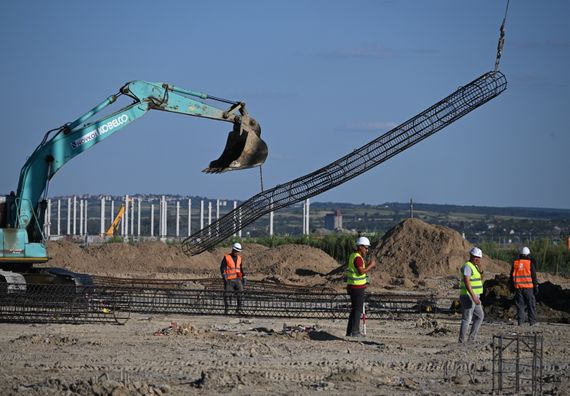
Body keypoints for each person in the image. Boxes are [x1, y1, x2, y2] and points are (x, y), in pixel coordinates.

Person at [345, 236, 376, 338]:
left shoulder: (353, 256)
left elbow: (359, 269)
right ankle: (355, 332)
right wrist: (371, 266)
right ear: (360, 247)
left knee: (354, 309)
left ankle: (349, 331)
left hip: (353, 287)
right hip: (357, 288)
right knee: (358, 310)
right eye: (366, 248)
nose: (367, 250)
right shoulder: (358, 258)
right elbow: (361, 271)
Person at [458, 247, 485, 343]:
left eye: (479, 258)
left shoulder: (476, 266)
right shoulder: (467, 266)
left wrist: (481, 269)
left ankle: (471, 339)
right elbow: (467, 282)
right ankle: (461, 341)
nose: (478, 259)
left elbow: (480, 278)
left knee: (480, 316)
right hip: (468, 296)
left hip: (475, 296)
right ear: (472, 257)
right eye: (477, 257)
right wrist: (473, 296)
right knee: (467, 319)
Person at [509, 246, 539, 326]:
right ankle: (532, 322)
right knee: (531, 304)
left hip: (518, 288)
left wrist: (511, 287)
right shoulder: (529, 263)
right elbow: (533, 276)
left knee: (520, 305)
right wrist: (536, 286)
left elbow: (511, 276)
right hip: (528, 288)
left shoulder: (515, 263)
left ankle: (520, 322)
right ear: (528, 255)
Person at [220, 242, 246, 315]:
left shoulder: (239, 258)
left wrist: (243, 276)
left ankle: (239, 309)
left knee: (240, 294)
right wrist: (224, 276)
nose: (237, 253)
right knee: (227, 295)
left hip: (238, 279)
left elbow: (240, 268)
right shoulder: (227, 257)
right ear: (233, 250)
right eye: (236, 251)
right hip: (229, 280)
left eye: (238, 252)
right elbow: (222, 267)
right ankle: (227, 309)